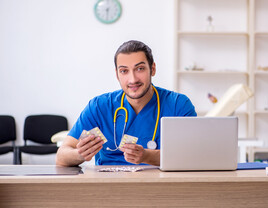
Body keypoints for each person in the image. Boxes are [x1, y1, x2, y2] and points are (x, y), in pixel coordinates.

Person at [56, 40, 197, 166]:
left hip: (159, 187)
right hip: (107, 188)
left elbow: (192, 156)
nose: (132, 79)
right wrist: (79, 154)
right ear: (117, 74)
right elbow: (62, 156)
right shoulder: (99, 107)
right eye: (124, 71)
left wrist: (147, 156)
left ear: (152, 69)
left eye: (140, 69)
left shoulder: (178, 105)